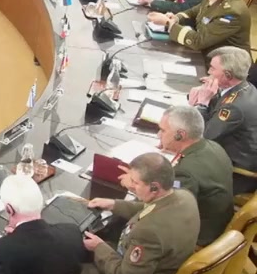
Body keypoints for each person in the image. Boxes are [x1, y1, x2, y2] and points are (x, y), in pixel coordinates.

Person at [93, 105, 234, 246]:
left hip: (198, 236)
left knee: (119, 224)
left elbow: (160, 209)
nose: (158, 135)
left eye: (163, 130)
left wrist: (135, 186)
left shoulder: (186, 172)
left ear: (180, 135)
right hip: (216, 220)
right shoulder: (212, 146)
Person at [83, 153, 199, 274]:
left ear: (154, 187)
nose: (131, 186)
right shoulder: (184, 196)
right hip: (161, 270)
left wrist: (99, 247)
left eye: (135, 182)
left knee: (74, 267)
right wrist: (113, 204)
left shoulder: (149, 232)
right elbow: (150, 208)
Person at [188, 46, 257, 193]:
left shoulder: (234, 108)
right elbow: (216, 110)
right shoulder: (244, 87)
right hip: (226, 155)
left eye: (213, 69)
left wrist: (202, 104)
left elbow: (202, 136)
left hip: (235, 173)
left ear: (227, 75)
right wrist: (207, 95)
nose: (208, 72)